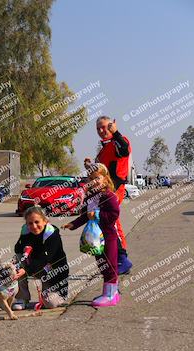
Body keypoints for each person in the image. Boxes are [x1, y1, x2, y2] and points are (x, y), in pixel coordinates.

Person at [62, 163, 120, 307]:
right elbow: (85, 215)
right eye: (90, 178)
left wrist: (98, 215)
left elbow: (114, 214)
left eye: (97, 178)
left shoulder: (109, 196)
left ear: (105, 179)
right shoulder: (91, 197)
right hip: (95, 237)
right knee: (101, 264)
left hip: (108, 236)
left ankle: (111, 294)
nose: (93, 181)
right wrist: (73, 224)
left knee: (110, 264)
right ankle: (109, 292)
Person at [84, 116, 132, 274]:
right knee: (108, 223)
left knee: (112, 223)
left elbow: (124, 150)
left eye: (104, 127)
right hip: (104, 192)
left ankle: (122, 260)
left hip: (115, 189)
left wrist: (115, 132)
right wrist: (90, 167)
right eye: (98, 128)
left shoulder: (119, 141)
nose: (101, 131)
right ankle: (116, 258)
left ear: (112, 125)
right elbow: (101, 174)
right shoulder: (103, 149)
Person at [12, 206, 69, 310]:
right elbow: (17, 248)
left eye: (37, 222)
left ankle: (54, 295)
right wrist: (24, 246)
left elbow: (45, 259)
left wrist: (26, 270)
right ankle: (22, 297)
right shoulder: (26, 231)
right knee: (18, 259)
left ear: (45, 221)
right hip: (34, 266)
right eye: (30, 223)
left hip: (52, 269)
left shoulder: (52, 233)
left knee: (49, 303)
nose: (34, 226)